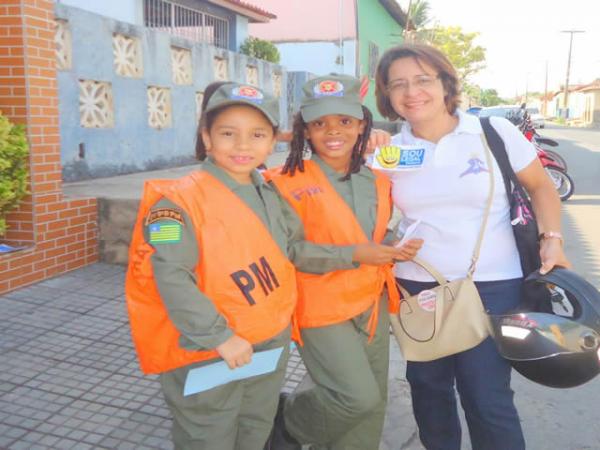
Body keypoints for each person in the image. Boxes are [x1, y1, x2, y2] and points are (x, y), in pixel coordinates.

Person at [125, 81, 352, 450]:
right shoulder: (175, 202)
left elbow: (292, 248)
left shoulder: (266, 190)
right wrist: (220, 337)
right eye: (228, 133)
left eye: (257, 134)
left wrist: (357, 255)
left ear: (271, 141)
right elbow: (170, 276)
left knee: (255, 430)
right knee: (208, 435)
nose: (243, 145)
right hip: (210, 350)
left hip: (266, 344)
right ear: (207, 137)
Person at [373, 43, 571, 450]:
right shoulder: (388, 151)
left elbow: (541, 188)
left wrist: (553, 240)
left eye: (423, 79)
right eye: (399, 84)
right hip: (416, 288)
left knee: (487, 398)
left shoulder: (492, 133)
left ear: (446, 84)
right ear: (387, 96)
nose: (412, 92)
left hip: (493, 286)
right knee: (429, 394)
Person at [266, 74, 423, 450]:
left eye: (345, 121)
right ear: (304, 130)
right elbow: (286, 251)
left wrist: (392, 246)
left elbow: (374, 229)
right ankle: (287, 425)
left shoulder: (377, 178)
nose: (332, 131)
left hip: (371, 302)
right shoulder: (280, 182)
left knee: (373, 405)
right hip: (320, 308)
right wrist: (354, 254)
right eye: (319, 123)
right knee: (354, 398)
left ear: (362, 126)